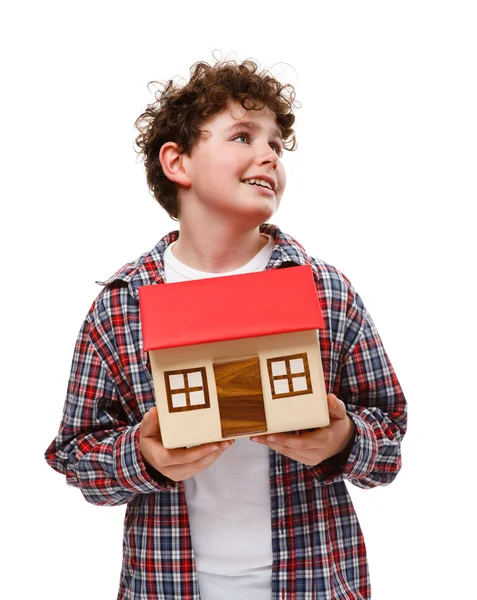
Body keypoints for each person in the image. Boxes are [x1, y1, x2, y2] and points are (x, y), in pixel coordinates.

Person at [45, 57, 407, 600]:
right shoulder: (120, 307)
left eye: (277, 146)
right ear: (178, 163)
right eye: (243, 136)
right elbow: (75, 455)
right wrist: (141, 456)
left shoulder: (326, 292)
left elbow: (391, 437)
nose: (269, 154)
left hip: (315, 583)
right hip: (167, 586)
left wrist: (345, 439)